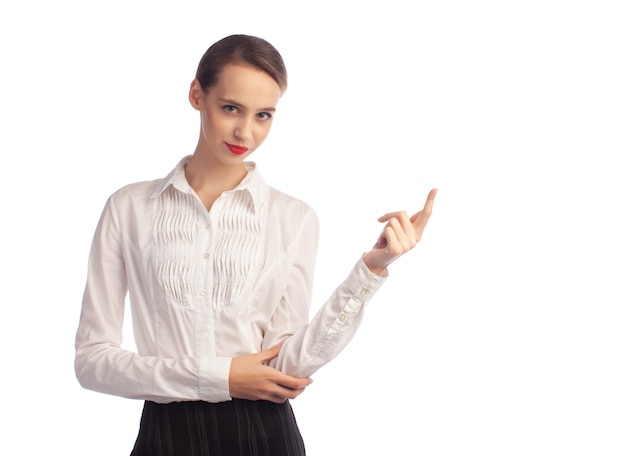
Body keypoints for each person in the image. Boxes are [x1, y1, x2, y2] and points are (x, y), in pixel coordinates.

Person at [74, 34, 437, 455]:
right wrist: (219, 377)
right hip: (165, 438)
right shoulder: (128, 208)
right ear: (197, 95)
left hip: (265, 438)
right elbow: (91, 362)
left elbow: (288, 366)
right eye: (230, 108)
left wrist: (372, 269)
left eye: (263, 115)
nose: (245, 131)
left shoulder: (294, 218)